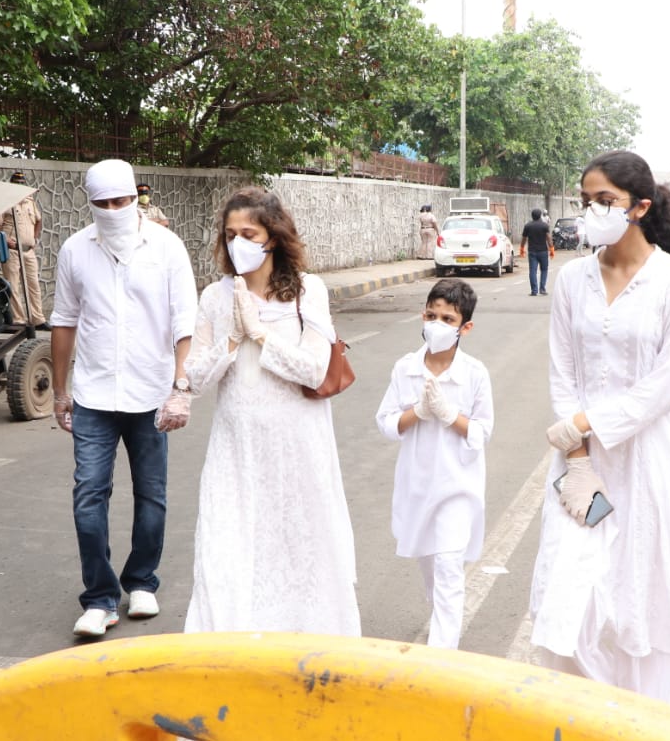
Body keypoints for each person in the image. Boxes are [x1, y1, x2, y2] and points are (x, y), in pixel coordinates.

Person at [531, 149, 670, 705]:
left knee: (644, 592)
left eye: (604, 201)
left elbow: (665, 386)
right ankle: (586, 729)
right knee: (573, 597)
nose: (591, 210)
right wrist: (576, 457)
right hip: (578, 466)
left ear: (639, 207)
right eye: (586, 200)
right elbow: (563, 370)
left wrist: (586, 423)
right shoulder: (571, 281)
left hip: (648, 462)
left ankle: (643, 735)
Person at [182, 186, 360, 637]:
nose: (237, 242)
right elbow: (195, 380)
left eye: (248, 232)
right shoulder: (214, 297)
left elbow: (314, 368)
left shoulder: (306, 291)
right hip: (236, 449)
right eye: (229, 234)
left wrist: (260, 333)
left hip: (297, 446)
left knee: (299, 546)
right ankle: (229, 649)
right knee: (228, 546)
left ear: (273, 237)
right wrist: (231, 338)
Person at [49, 159, 197, 638]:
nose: (113, 210)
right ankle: (99, 598)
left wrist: (181, 387)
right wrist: (58, 390)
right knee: (88, 495)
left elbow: (184, 320)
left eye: (122, 201)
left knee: (151, 494)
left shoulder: (167, 247)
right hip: (93, 393)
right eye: (103, 203)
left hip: (151, 392)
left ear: (137, 198)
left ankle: (142, 581)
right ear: (89, 203)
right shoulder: (75, 250)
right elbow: (64, 320)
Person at [375, 278, 494, 649]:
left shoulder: (474, 373)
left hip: (457, 485)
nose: (437, 324)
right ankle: (442, 616)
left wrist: (448, 415)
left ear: (465, 327)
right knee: (429, 562)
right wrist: (419, 412)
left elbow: (482, 431)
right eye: (431, 315)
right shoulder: (405, 368)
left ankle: (443, 655)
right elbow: (387, 422)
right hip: (418, 484)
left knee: (447, 565)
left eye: (447, 319)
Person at [0, 170, 50, 330]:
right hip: (12, 250)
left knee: (34, 284)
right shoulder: (5, 202)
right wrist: (7, 240)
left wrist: (34, 238)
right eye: (16, 184)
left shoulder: (30, 202)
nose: (19, 186)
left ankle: (38, 319)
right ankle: (18, 319)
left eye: (21, 184)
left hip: (28, 250)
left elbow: (39, 221)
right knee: (13, 285)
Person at [519, 207, 554, 297]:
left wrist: (522, 248)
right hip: (543, 251)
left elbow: (524, 238)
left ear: (532, 216)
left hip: (532, 252)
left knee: (533, 271)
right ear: (540, 216)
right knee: (544, 270)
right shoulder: (544, 226)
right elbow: (548, 238)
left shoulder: (528, 226)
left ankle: (534, 291)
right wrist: (551, 249)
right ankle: (542, 289)